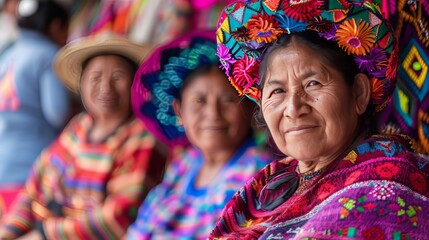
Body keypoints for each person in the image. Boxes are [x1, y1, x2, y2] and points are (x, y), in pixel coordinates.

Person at [210, 0, 429, 239]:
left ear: (358, 93)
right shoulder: (265, 186)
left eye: (312, 84)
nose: (293, 109)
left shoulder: (383, 191)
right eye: (277, 91)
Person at [0, 33, 169, 239]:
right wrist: (9, 233)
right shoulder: (78, 127)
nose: (106, 88)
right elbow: (33, 189)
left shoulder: (143, 137)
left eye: (118, 77)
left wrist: (45, 234)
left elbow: (121, 214)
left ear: (135, 85)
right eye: (95, 77)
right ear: (82, 84)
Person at [126, 30, 272, 239]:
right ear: (179, 111)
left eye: (227, 100)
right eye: (199, 101)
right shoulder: (181, 167)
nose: (213, 114)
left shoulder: (260, 172)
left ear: (249, 108)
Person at [0, 0, 72, 218]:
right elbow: (57, 113)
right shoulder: (48, 55)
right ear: (57, 26)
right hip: (31, 168)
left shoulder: (8, 56)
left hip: (5, 164)